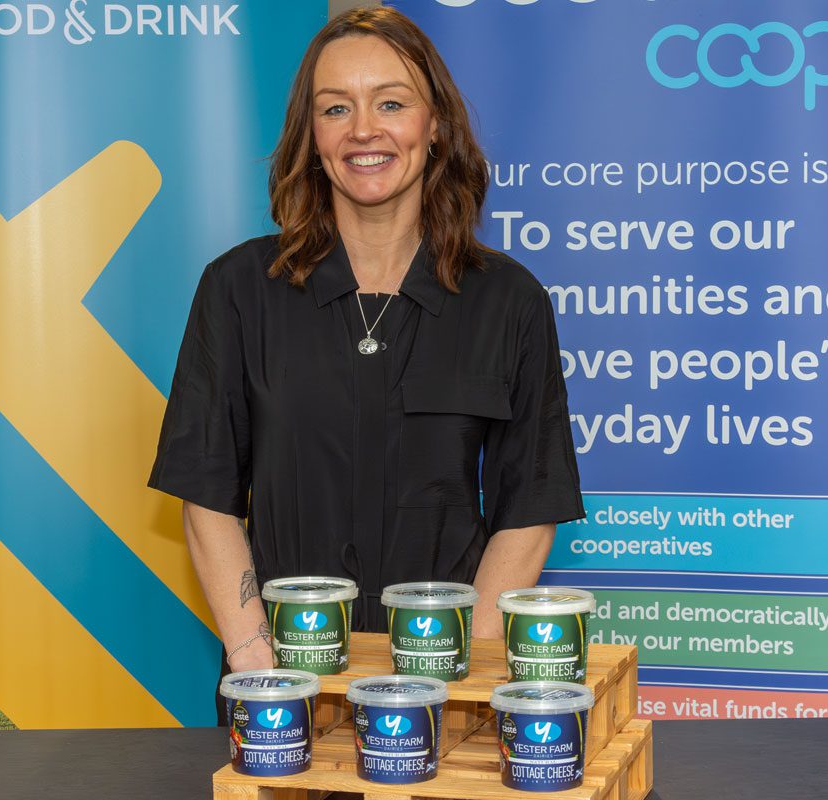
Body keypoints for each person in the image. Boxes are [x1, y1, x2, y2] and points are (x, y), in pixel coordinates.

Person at [148, 7, 584, 691]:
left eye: (391, 102)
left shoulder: (509, 299)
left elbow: (529, 505)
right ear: (311, 137)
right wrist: (254, 655)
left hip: (444, 682)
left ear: (434, 125)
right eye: (335, 109)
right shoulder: (237, 289)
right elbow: (206, 494)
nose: (364, 130)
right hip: (282, 684)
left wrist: (464, 666)